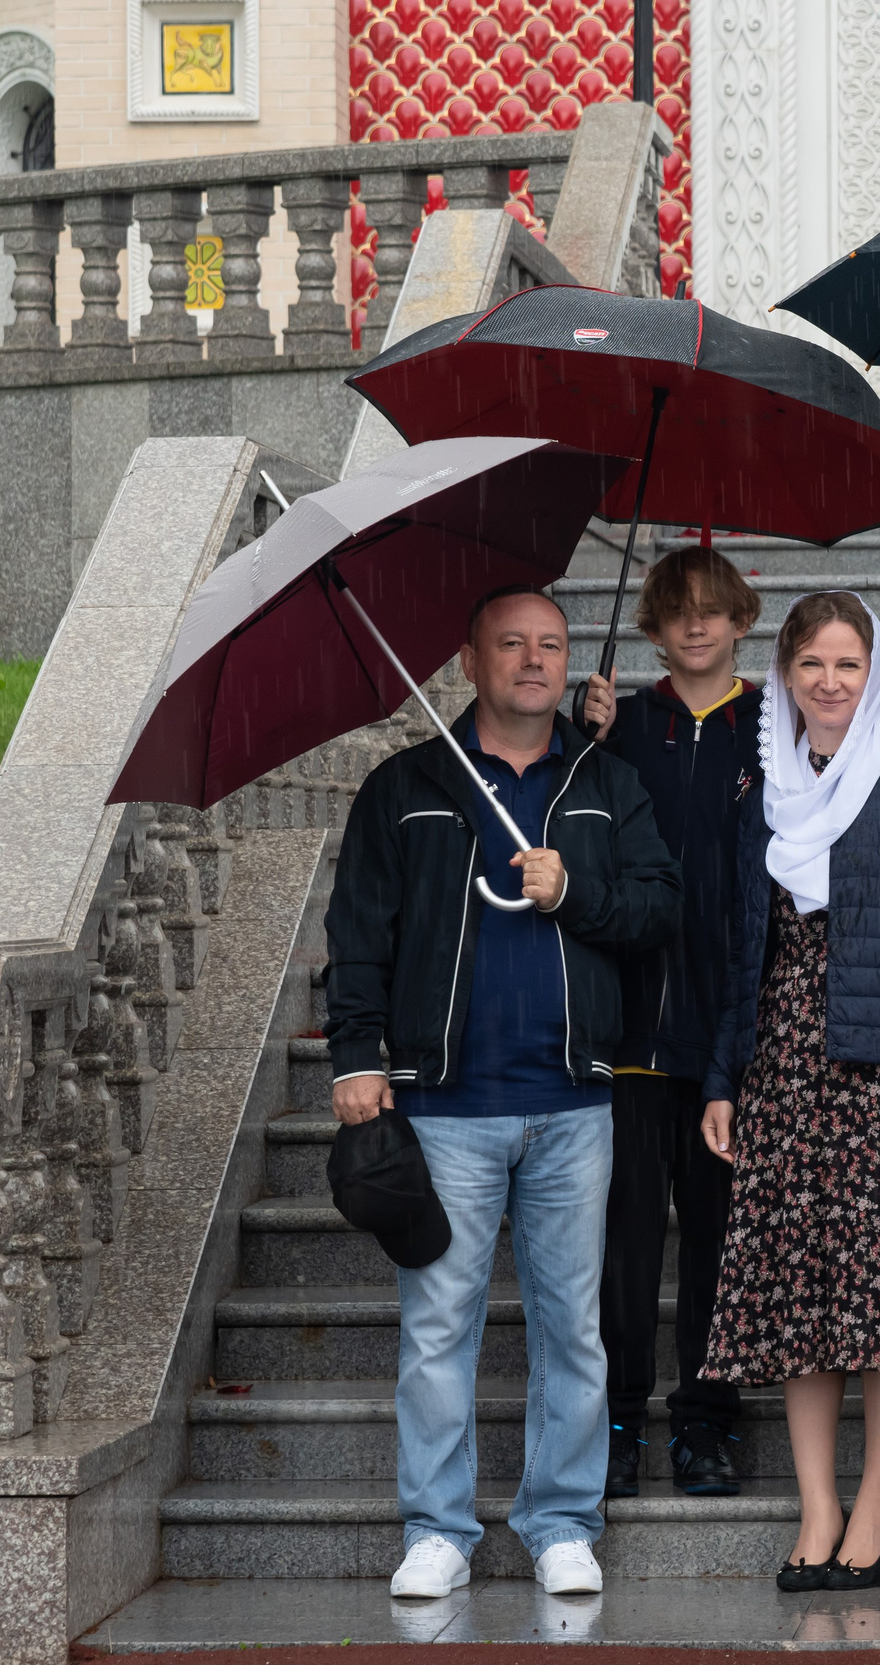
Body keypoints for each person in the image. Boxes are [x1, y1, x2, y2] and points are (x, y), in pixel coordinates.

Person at [324, 586, 680, 1602]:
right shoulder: (406, 788)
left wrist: (577, 891)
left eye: (550, 645)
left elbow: (658, 907)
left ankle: (561, 1518)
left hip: (573, 1101)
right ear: (469, 662)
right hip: (443, 1108)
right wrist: (357, 1055)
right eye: (511, 644)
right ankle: (438, 1527)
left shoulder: (605, 781)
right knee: (439, 1326)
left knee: (574, 1321)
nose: (534, 660)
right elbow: (360, 932)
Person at [698, 590, 880, 1592]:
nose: (830, 682)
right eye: (811, 663)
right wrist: (723, 1076)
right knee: (800, 1296)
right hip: (784, 1066)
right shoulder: (762, 794)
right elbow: (742, 949)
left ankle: (875, 1500)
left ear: (877, 673)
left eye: (849, 664)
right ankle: (817, 1503)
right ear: (783, 673)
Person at [576, 547, 763, 1500]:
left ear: (741, 620)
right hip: (633, 1030)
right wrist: (587, 738)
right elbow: (576, 835)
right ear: (651, 629)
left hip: (732, 1032)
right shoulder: (625, 726)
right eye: (677, 613)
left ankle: (707, 1418)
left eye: (713, 610)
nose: (696, 626)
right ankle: (615, 1420)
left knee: (720, 1235)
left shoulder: (769, 726)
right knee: (625, 1239)